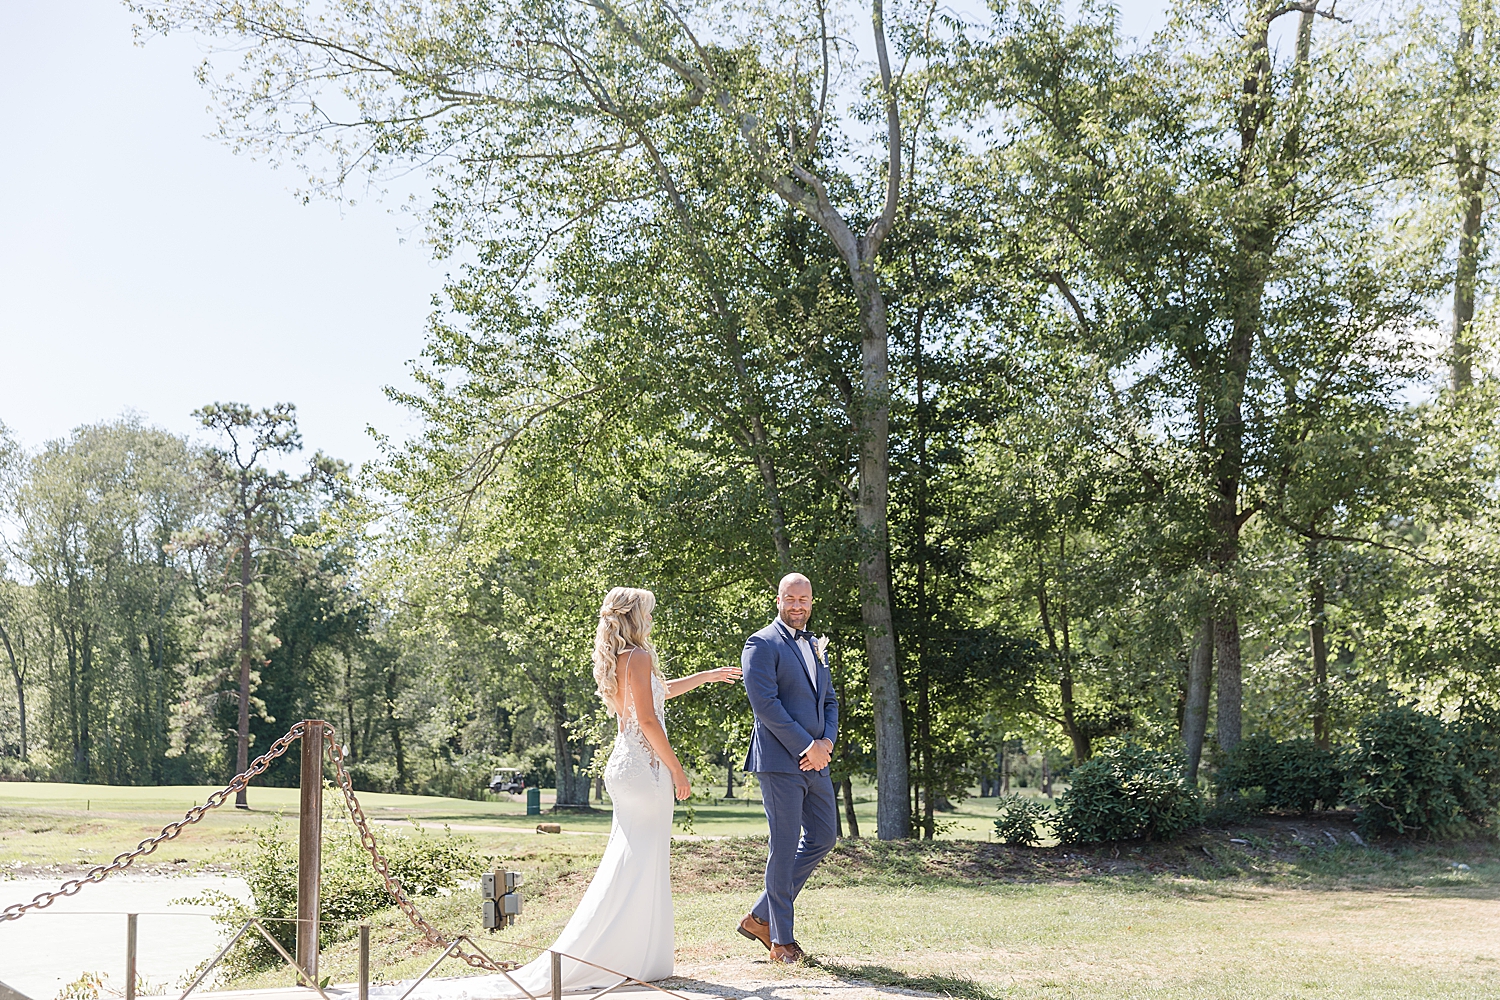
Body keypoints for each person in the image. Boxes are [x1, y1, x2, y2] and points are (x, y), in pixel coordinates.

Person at [393, 586, 739, 998]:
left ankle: (626, 954)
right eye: (647, 613)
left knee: (631, 859)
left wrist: (705, 677)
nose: (651, 619)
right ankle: (624, 955)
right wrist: (676, 769)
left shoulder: (619, 660)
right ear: (633, 617)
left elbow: (654, 696)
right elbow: (647, 719)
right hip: (646, 770)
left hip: (622, 768)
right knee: (641, 860)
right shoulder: (641, 657)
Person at [736, 573, 838, 965]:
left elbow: (829, 700)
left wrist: (825, 744)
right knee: (783, 845)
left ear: (812, 601)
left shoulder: (815, 645)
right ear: (778, 600)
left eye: (804, 599)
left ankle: (760, 916)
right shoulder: (760, 643)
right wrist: (806, 745)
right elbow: (765, 706)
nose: (798, 605)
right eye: (790, 599)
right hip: (780, 762)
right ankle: (781, 939)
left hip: (818, 761)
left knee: (824, 837)